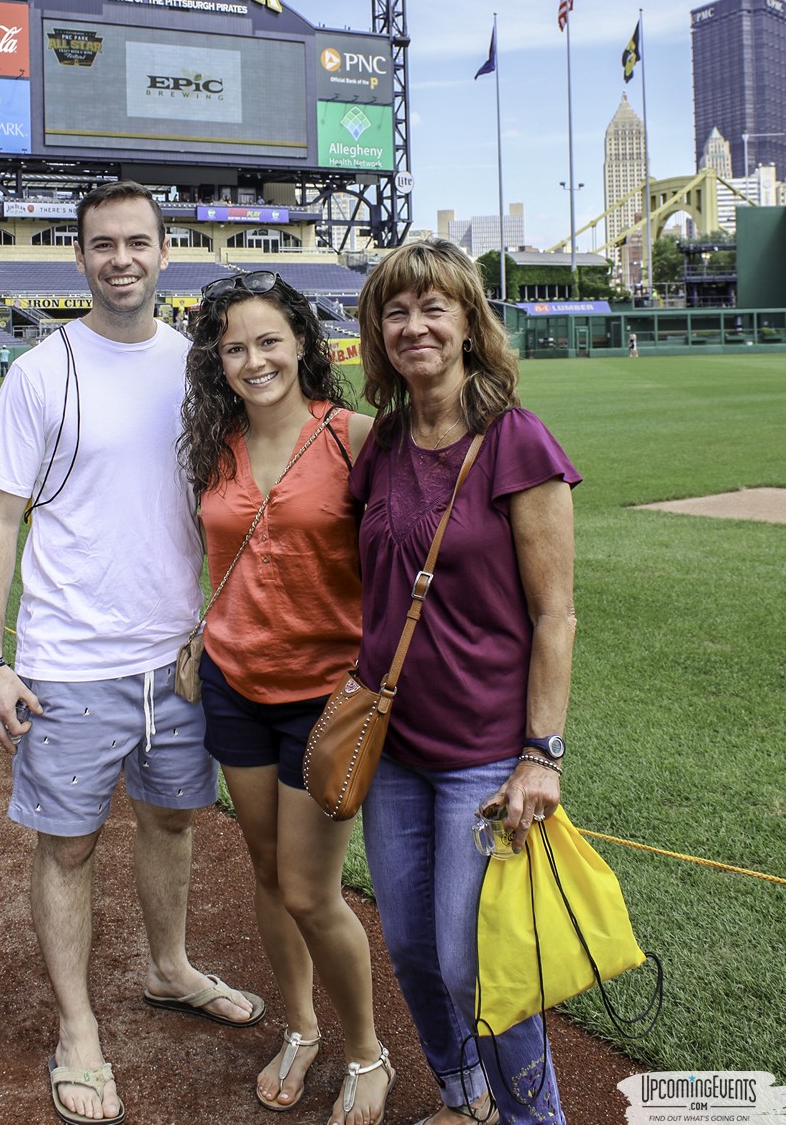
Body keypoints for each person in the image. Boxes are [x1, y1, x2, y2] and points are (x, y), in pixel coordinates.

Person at [0, 183, 263, 1125]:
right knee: (68, 847)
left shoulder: (197, 368)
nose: (122, 259)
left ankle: (170, 969)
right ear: (81, 257)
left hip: (178, 661)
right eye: (104, 244)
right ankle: (78, 1030)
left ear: (166, 254)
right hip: (68, 664)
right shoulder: (41, 372)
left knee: (173, 824)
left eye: (139, 242)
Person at [351, 240, 580, 1125]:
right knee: (408, 946)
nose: (414, 326)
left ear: (468, 324)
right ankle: (465, 1098)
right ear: (379, 331)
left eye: (433, 308)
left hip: (486, 754)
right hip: (396, 746)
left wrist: (542, 755)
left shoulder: (516, 441)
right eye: (397, 312)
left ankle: (537, 1118)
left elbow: (555, 614)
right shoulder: (383, 444)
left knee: (473, 961)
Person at [179, 271, 394, 1125]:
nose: (253, 359)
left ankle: (367, 1052)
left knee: (312, 891)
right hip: (235, 686)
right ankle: (301, 1031)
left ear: (303, 342)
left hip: (326, 696)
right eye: (235, 346)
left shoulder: (356, 438)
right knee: (267, 874)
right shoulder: (215, 443)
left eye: (269, 340)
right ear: (218, 360)